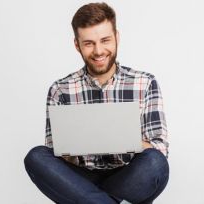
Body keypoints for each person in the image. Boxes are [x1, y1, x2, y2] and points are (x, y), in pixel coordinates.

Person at [24, 2, 169, 204]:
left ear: (117, 38)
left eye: (105, 40)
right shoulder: (60, 89)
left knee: (155, 162)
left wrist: (123, 139)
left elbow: (160, 149)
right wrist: (76, 146)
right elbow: (55, 155)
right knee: (36, 157)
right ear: (77, 45)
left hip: (129, 174)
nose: (99, 51)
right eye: (89, 43)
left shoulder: (145, 83)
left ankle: (90, 199)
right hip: (81, 177)